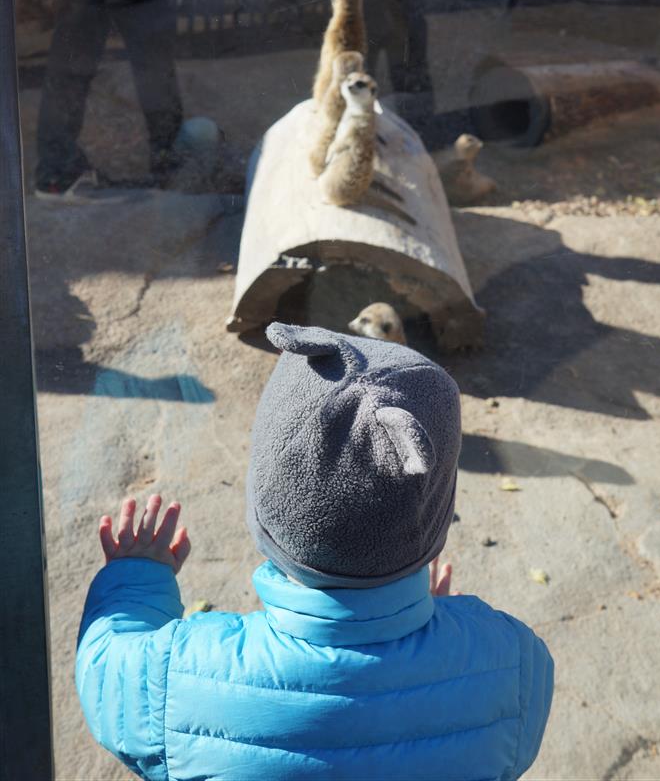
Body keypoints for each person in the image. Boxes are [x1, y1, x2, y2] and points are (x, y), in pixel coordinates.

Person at [76, 322, 554, 780]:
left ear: (269, 500)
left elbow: (105, 666)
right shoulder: (514, 663)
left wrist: (137, 577)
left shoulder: (174, 676)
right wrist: (441, 630)